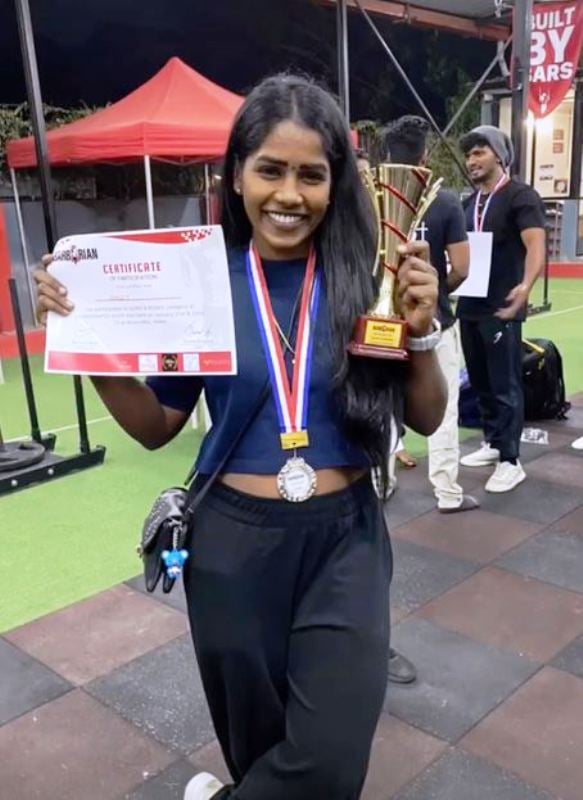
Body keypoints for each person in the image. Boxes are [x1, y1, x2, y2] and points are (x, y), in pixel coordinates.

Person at [35, 75, 446, 800]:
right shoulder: (198, 281)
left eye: (310, 175)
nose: (289, 194)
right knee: (258, 746)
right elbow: (156, 427)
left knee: (328, 761)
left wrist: (418, 336)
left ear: (333, 183)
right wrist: (87, 341)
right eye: (270, 170)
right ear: (236, 175)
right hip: (231, 544)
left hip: (342, 539)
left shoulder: (364, 277)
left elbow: (426, 418)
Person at [384, 115, 479, 513]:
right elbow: (461, 265)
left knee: (380, 403)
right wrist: (435, 293)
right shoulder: (444, 200)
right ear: (425, 154)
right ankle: (447, 492)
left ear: (386, 154)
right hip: (433, 320)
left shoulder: (373, 194)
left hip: (380, 323)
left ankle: (381, 482)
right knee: (444, 408)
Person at [355, 147, 421, 686]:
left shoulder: (376, 259)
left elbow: (427, 411)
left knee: (372, 547)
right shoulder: (234, 278)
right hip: (256, 511)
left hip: (355, 480)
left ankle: (377, 641)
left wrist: (418, 333)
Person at [458, 125, 546, 492]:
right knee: (480, 382)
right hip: (469, 306)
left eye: (479, 152)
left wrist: (525, 289)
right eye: (469, 154)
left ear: (498, 154)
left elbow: (536, 244)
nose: (471, 160)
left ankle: (512, 460)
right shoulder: (467, 203)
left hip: (502, 307)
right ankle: (494, 444)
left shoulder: (520, 196)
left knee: (505, 383)